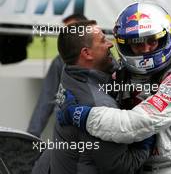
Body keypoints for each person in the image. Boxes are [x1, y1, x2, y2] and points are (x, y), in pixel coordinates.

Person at [57, 3, 171, 174]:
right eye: (137, 43)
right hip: (133, 167)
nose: (146, 49)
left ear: (165, 38)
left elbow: (134, 125)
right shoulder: (122, 74)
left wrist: (79, 114)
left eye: (152, 41)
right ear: (126, 45)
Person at [32, 20, 156, 174]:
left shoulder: (70, 70)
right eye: (103, 40)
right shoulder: (100, 105)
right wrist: (147, 136)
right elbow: (122, 166)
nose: (110, 44)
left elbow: (115, 71)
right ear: (87, 53)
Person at [27, 14, 88, 137]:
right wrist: (31, 136)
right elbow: (46, 98)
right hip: (67, 132)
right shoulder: (59, 62)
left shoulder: (102, 57)